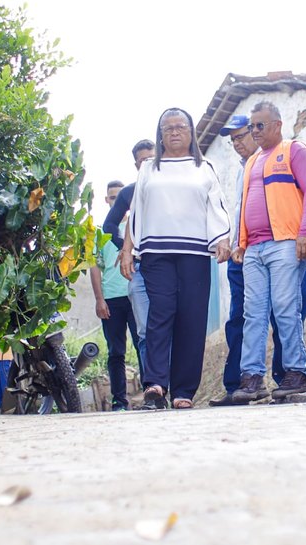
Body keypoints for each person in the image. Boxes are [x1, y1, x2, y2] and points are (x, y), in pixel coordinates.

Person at [208, 115, 306, 406]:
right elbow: (243, 209)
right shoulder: (250, 166)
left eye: (248, 132)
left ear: (274, 126)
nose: (240, 141)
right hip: (252, 249)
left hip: (284, 243)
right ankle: (251, 378)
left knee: (286, 309)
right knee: (252, 315)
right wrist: (240, 243)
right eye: (234, 138)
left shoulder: (292, 151)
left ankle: (295, 374)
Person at [120, 108, 230, 410]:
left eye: (180, 126)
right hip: (156, 252)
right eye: (168, 128)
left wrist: (222, 238)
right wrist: (127, 250)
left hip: (195, 252)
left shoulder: (204, 167)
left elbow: (216, 205)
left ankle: (184, 390)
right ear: (160, 135)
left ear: (191, 132)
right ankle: (155, 384)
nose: (175, 132)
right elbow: (136, 212)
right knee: (160, 313)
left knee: (191, 318)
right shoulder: (149, 169)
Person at [104, 140, 155, 385]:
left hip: (170, 266)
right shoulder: (130, 192)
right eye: (142, 160)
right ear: (136, 164)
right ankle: (152, 387)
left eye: (151, 158)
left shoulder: (171, 187)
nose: (147, 163)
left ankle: (175, 387)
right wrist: (126, 250)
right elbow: (109, 225)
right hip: (141, 268)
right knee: (144, 333)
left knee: (171, 329)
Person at [89, 180, 141, 410]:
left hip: (136, 295)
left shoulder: (136, 226)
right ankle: (119, 401)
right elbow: (94, 267)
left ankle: (153, 394)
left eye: (120, 197)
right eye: (113, 197)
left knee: (143, 344)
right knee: (116, 352)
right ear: (107, 200)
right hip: (111, 298)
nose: (117, 201)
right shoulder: (100, 232)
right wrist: (99, 299)